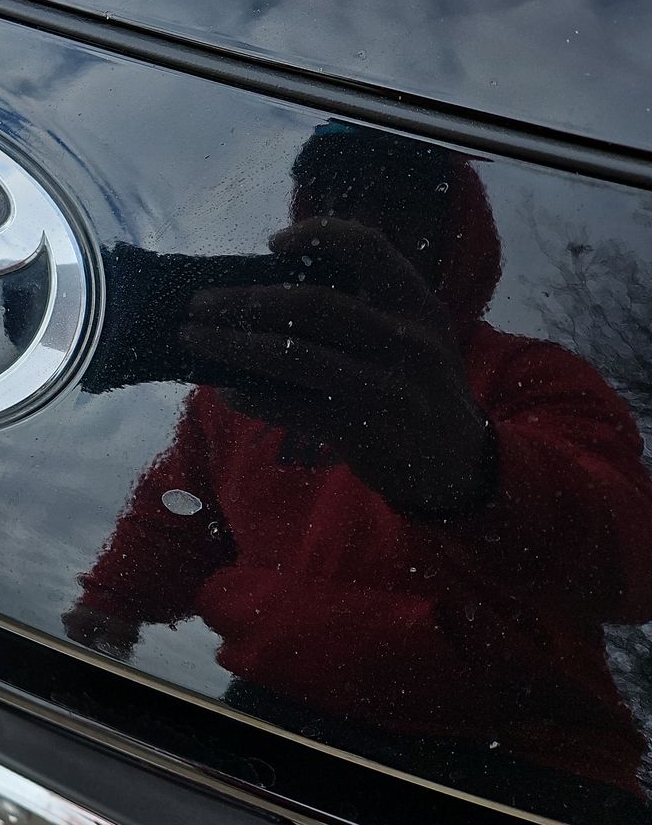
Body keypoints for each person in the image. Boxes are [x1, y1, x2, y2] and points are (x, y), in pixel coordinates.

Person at [66, 124, 652, 821]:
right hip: (269, 717)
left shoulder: (532, 373)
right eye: (336, 196)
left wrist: (469, 465)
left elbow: (629, 552)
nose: (361, 220)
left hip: (520, 760)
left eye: (399, 198)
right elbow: (179, 509)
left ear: (457, 234)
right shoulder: (247, 378)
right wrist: (112, 602)